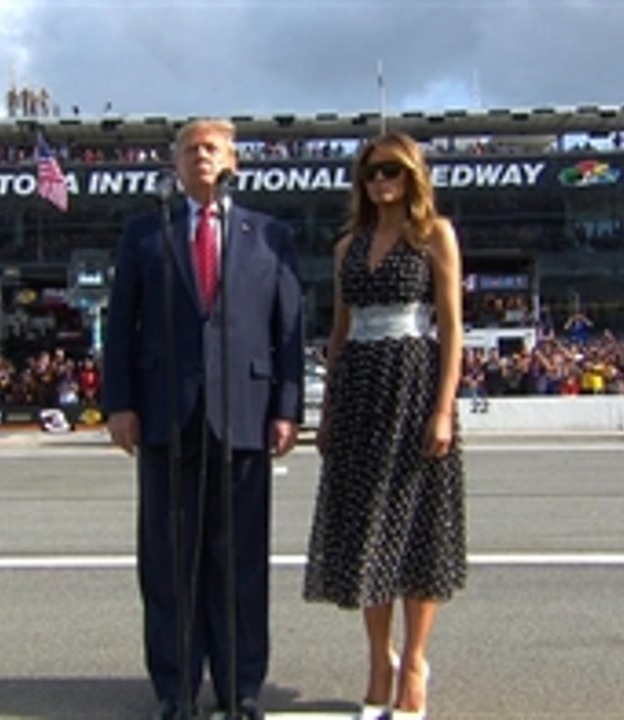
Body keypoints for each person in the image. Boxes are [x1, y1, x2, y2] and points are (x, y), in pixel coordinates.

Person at [102, 118, 304, 720]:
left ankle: (242, 686)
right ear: (175, 164)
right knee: (168, 564)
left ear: (233, 159)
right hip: (166, 416)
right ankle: (176, 688)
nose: (200, 157)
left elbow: (287, 330)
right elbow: (121, 328)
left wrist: (288, 407)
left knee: (240, 561)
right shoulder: (147, 232)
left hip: (244, 415)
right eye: (190, 150)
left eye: (211, 148)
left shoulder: (270, 235)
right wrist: (120, 404)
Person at [304, 131, 467, 720]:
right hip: (359, 394)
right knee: (367, 529)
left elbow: (451, 330)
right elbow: (341, 333)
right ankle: (380, 661)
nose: (380, 182)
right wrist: (326, 412)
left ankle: (416, 663)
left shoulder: (434, 237)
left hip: (415, 384)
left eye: (391, 171)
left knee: (419, 529)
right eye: (371, 173)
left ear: (413, 175)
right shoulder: (347, 246)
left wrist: (444, 408)